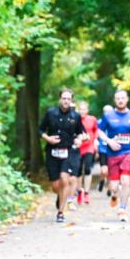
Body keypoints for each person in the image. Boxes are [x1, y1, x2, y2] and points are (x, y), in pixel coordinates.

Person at [96, 90, 130, 222]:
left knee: (125, 180)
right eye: (118, 98)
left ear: (127, 99)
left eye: (123, 98)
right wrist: (109, 141)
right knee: (113, 186)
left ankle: (122, 209)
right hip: (112, 155)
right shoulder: (108, 116)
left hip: (128, 152)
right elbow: (99, 131)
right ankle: (114, 195)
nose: (120, 100)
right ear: (114, 100)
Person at [39, 88, 85, 223]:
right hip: (52, 152)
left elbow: (80, 132)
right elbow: (40, 129)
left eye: (68, 99)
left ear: (71, 101)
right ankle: (60, 196)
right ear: (60, 99)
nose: (66, 101)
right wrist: (47, 138)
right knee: (56, 186)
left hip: (68, 151)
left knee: (65, 179)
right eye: (64, 98)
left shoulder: (75, 116)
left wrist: (79, 139)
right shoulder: (51, 113)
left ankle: (60, 212)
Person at [75, 100, 98, 205]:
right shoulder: (75, 119)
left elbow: (96, 130)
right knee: (78, 170)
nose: (82, 111)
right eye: (80, 109)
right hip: (78, 148)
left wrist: (96, 140)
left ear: (87, 110)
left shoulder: (92, 119)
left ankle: (87, 192)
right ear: (77, 110)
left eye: (84, 109)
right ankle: (80, 191)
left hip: (89, 147)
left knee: (88, 168)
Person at [97, 104, 113, 195]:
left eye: (109, 111)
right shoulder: (99, 122)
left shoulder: (115, 121)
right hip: (102, 149)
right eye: (106, 111)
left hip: (112, 149)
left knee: (111, 170)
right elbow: (95, 133)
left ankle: (110, 188)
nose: (108, 113)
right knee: (104, 170)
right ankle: (102, 180)